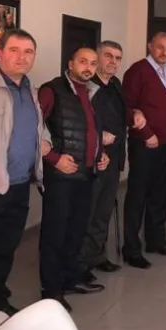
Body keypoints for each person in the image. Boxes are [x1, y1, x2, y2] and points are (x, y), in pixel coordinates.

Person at [0, 29, 50, 316]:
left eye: (28, 52)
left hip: (20, 185)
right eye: (14, 50)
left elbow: (36, 127)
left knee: (5, 249)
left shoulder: (31, 90)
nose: (22, 57)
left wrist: (44, 141)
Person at [39, 46, 110, 312]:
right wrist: (54, 158)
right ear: (70, 63)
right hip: (62, 176)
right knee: (55, 234)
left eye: (92, 63)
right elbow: (34, 129)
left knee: (76, 231)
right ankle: (51, 290)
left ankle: (70, 279)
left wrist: (100, 153)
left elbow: (90, 131)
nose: (88, 67)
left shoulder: (91, 92)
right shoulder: (52, 90)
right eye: (83, 61)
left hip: (86, 173)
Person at [122, 32, 166, 269]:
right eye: (160, 47)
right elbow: (127, 107)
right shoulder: (138, 71)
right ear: (150, 46)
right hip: (144, 144)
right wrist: (147, 134)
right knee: (138, 196)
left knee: (160, 194)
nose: (165, 52)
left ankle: (155, 241)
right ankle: (131, 249)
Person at [78, 40, 126, 282]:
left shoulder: (116, 85)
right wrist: (99, 140)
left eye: (117, 58)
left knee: (103, 211)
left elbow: (122, 117)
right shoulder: (86, 87)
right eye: (108, 56)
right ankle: (80, 263)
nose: (113, 62)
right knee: (87, 212)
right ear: (97, 58)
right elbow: (79, 123)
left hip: (114, 158)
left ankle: (97, 256)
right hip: (93, 158)